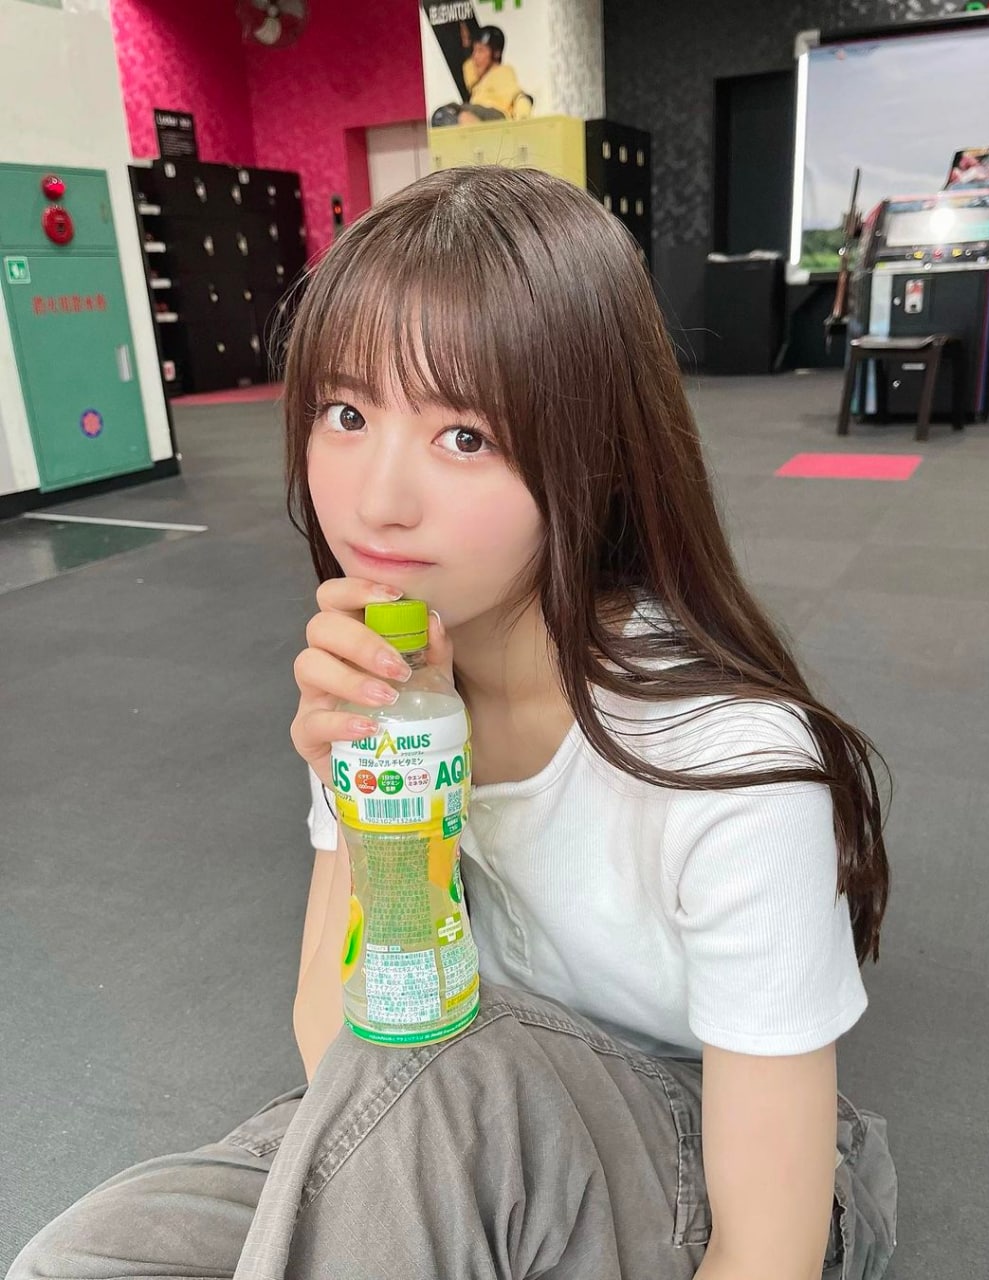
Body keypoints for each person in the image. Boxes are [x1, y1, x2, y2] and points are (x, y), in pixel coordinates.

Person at [8, 166, 898, 1280]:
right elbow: (338, 1048)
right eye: (347, 413)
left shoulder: (728, 759)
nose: (377, 500)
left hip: (717, 1167)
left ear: (593, 455)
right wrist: (356, 786)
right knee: (92, 1256)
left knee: (433, 1085)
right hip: (459, 1103)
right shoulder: (385, 686)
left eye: (464, 435)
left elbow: (769, 1249)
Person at [430, 24, 530, 127]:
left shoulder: (501, 72)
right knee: (441, 117)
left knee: (453, 112)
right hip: (481, 114)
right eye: (474, 51)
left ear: (496, 53)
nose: (475, 56)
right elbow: (468, 66)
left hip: (496, 115)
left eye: (481, 50)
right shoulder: (479, 79)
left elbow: (519, 96)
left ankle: (480, 131)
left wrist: (522, 120)